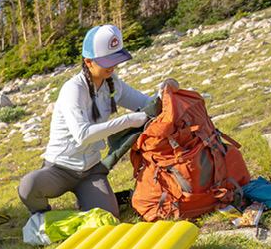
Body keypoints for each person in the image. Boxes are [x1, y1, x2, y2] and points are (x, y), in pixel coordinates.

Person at [18, 24, 179, 218]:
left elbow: (145, 103)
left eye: (116, 60)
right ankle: (42, 215)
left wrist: (163, 92)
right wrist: (129, 120)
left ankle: (91, 200)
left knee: (109, 217)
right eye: (108, 61)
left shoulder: (112, 82)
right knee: (28, 187)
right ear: (89, 62)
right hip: (59, 169)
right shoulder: (73, 89)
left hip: (90, 171)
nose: (113, 66)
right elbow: (82, 135)